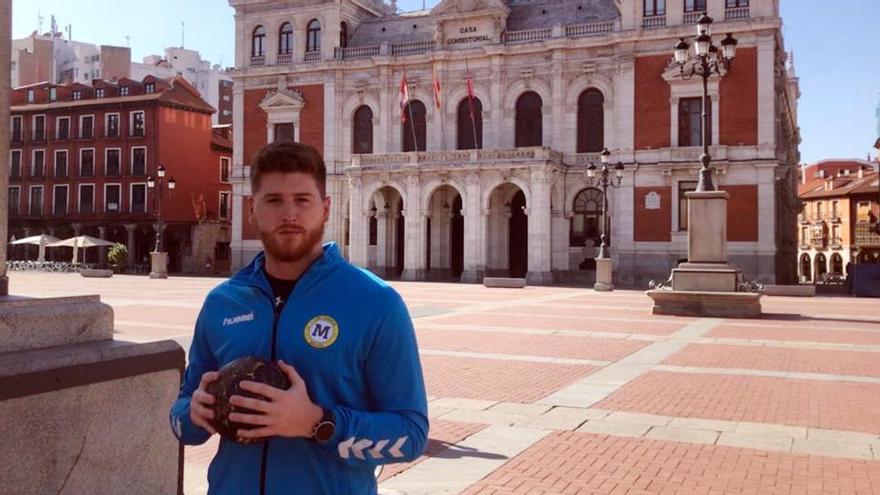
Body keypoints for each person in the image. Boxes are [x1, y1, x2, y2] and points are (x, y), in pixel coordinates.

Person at [169, 142, 428, 494]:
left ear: (325, 209)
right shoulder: (222, 302)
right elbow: (181, 418)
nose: (289, 214)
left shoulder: (376, 303)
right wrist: (194, 413)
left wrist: (318, 423)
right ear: (252, 210)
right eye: (274, 200)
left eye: (302, 200)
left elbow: (410, 434)